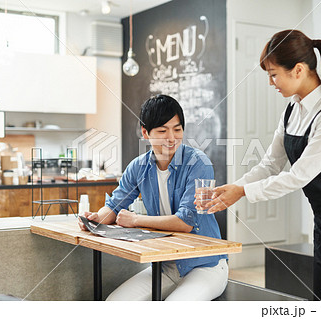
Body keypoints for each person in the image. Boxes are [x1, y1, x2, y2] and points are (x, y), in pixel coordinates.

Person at [197, 30, 321, 300]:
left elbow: (298, 176)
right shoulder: (292, 110)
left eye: (274, 74)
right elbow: (270, 165)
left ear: (298, 70)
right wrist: (233, 188)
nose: (271, 82)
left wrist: (242, 193)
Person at [78, 94, 228, 301]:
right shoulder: (138, 167)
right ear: (145, 133)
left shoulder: (198, 164)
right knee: (114, 303)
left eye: (177, 129)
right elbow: (114, 206)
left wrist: (136, 221)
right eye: (162, 130)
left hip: (205, 266)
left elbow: (186, 222)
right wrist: (97, 219)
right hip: (165, 265)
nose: (171, 137)